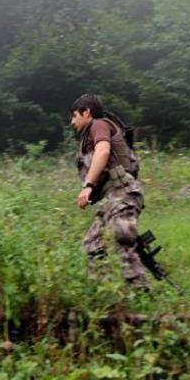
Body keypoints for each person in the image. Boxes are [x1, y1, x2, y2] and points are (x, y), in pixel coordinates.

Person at [71, 94, 148, 289]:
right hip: (112, 197)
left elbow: (103, 151)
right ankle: (104, 292)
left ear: (86, 112)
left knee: (123, 240)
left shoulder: (98, 124)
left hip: (123, 192)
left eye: (75, 116)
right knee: (91, 245)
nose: (72, 122)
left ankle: (140, 295)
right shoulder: (89, 135)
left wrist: (88, 185)